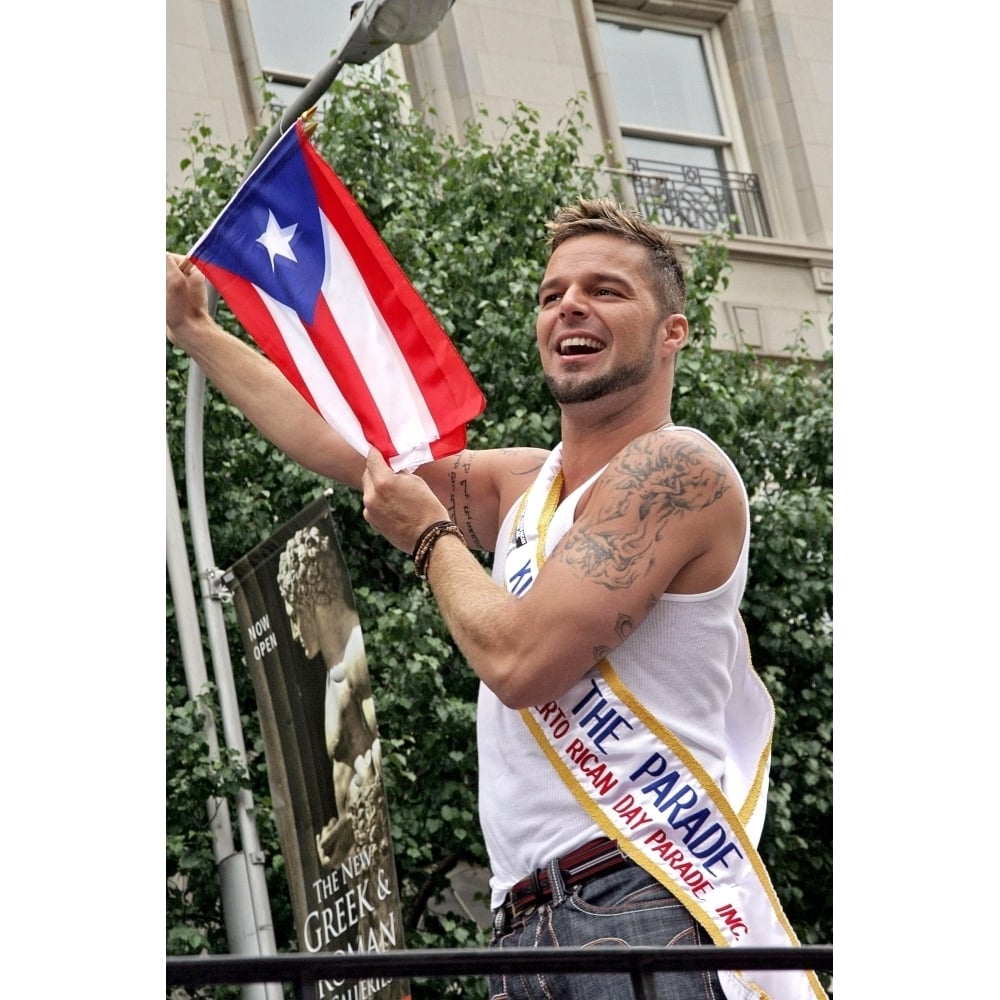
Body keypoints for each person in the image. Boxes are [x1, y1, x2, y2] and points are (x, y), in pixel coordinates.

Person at [167, 198, 820, 1000]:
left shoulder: (679, 470)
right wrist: (198, 333)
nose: (570, 306)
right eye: (552, 295)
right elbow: (345, 449)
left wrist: (432, 536)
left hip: (640, 894)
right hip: (524, 918)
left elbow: (518, 661)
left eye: (607, 291)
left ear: (673, 332)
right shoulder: (528, 486)